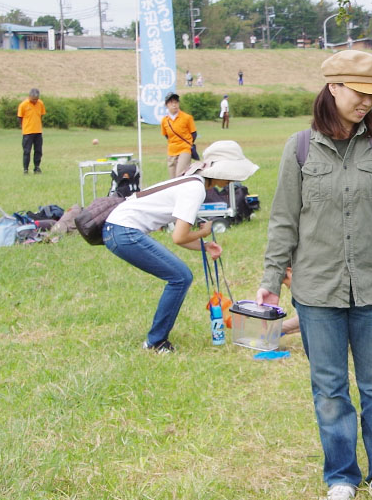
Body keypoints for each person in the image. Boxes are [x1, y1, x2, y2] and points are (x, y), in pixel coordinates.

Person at [256, 49, 372, 500]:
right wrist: (271, 276)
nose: (366, 102)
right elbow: (284, 219)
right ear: (334, 88)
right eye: (359, 93)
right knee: (329, 390)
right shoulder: (300, 147)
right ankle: (341, 476)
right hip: (316, 291)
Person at [103, 141, 259, 352]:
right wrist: (203, 233)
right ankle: (155, 342)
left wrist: (205, 246)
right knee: (180, 277)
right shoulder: (195, 189)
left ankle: (156, 339)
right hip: (123, 231)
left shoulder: (192, 181)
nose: (233, 178)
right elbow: (179, 236)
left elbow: (180, 235)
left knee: (179, 276)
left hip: (117, 229)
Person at [160, 93, 198, 179]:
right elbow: (166, 135)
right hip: (172, 150)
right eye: (171, 103)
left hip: (184, 148)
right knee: (172, 179)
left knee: (180, 175)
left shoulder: (187, 117)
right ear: (167, 105)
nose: (174, 105)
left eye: (176, 102)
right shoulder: (164, 120)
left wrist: (187, 144)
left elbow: (194, 134)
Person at [16, 88, 46, 174]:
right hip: (27, 132)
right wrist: (24, 127)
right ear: (29, 97)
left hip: (38, 131)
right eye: (33, 99)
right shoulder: (23, 105)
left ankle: (37, 167)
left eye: (36, 99)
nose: (35, 101)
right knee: (27, 151)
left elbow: (41, 115)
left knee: (38, 151)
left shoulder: (40, 103)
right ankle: (25, 169)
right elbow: (20, 117)